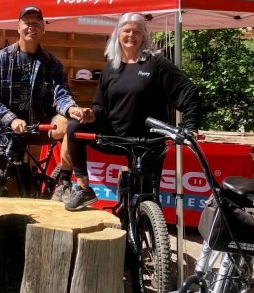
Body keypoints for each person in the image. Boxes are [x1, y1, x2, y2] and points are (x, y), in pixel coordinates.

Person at [64, 12, 202, 211]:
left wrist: (191, 126)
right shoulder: (111, 67)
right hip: (115, 137)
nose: (131, 36)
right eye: (126, 31)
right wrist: (90, 114)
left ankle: (147, 231)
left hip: (147, 141)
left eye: (136, 32)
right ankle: (84, 188)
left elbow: (188, 93)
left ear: (144, 36)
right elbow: (100, 107)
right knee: (74, 127)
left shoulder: (156, 64)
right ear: (118, 34)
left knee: (148, 199)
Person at [0, 5, 89, 201]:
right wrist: (11, 120)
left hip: (40, 126)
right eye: (27, 23)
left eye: (36, 23)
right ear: (18, 27)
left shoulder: (52, 63)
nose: (31, 27)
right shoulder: (0, 59)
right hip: (9, 131)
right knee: (10, 189)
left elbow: (61, 96)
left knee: (70, 124)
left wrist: (71, 109)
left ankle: (63, 182)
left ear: (43, 28)